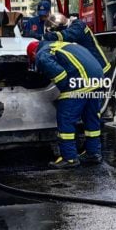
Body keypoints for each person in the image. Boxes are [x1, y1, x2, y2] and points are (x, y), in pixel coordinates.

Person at [27, 40, 104, 169]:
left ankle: (69, 158)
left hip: (80, 82)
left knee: (66, 119)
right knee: (91, 118)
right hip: (98, 80)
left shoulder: (41, 54)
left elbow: (60, 75)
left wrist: (63, 93)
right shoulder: (61, 45)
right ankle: (93, 153)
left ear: (33, 54)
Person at [43, 12, 111, 74]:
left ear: (61, 26)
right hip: (90, 68)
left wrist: (44, 37)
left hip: (102, 68)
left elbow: (64, 36)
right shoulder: (72, 27)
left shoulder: (78, 26)